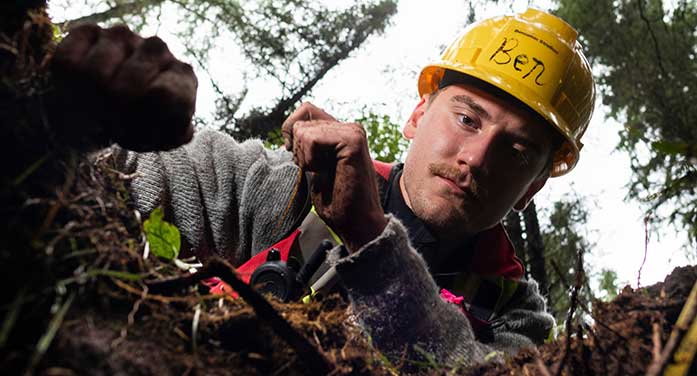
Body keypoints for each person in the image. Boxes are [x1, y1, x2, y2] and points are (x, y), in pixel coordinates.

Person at [50, 8, 595, 369]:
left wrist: (368, 239)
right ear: (418, 113)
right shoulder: (292, 189)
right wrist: (83, 116)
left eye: (516, 151)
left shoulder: (517, 324)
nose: (475, 158)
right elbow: (123, 179)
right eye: (468, 119)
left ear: (533, 189)